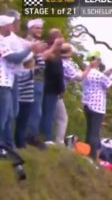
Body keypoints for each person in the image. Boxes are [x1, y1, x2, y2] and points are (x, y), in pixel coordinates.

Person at [0, 15, 42, 148]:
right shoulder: (1, 41)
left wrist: (31, 49)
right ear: (3, 26)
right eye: (10, 24)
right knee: (3, 118)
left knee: (8, 117)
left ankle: (7, 146)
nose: (12, 26)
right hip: (2, 83)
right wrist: (31, 49)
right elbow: (15, 58)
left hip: (8, 81)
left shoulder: (5, 40)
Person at [81, 50, 112, 160]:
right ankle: (92, 156)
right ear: (97, 61)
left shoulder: (87, 73)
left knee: (89, 131)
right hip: (97, 106)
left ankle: (86, 152)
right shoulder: (98, 75)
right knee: (95, 132)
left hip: (87, 104)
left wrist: (108, 72)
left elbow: (101, 79)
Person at [25, 19, 50, 149]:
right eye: (36, 28)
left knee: (37, 109)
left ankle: (32, 135)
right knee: (34, 108)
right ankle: (30, 136)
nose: (39, 30)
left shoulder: (37, 43)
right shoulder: (29, 42)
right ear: (30, 29)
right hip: (33, 77)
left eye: (40, 28)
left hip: (40, 77)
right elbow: (27, 59)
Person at [40, 28, 65, 144]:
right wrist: (61, 88)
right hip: (50, 87)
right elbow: (57, 73)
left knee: (47, 112)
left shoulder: (57, 52)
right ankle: (47, 137)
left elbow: (69, 49)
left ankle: (45, 136)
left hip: (51, 87)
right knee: (48, 113)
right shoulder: (50, 51)